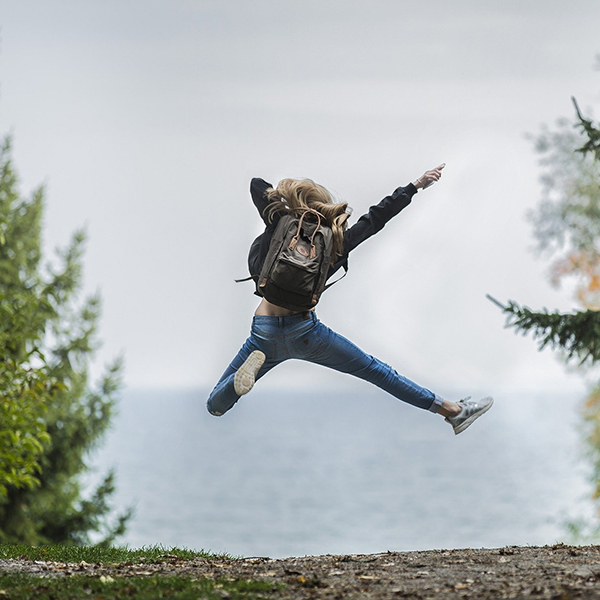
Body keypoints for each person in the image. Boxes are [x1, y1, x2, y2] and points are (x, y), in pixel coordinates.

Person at [206, 165, 493, 434]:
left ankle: (236, 384)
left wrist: (289, 203)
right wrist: (415, 186)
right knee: (377, 372)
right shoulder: (335, 241)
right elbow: (376, 219)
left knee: (215, 406)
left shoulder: (280, 222)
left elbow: (257, 185)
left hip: (264, 332)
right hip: (306, 333)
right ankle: (452, 411)